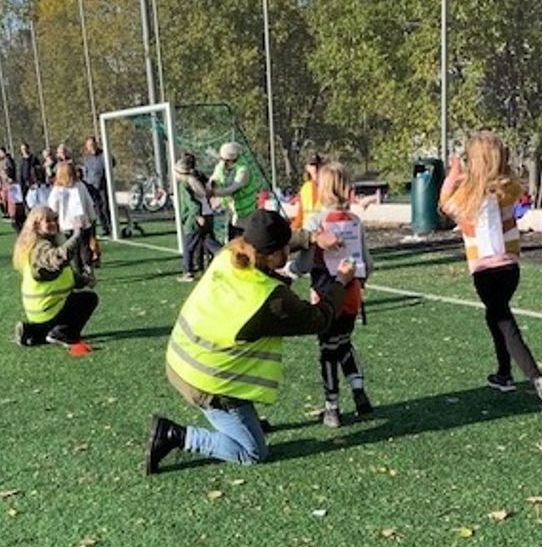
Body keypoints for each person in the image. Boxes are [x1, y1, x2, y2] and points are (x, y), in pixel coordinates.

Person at [145, 209, 355, 473]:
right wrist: (341, 282)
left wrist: (311, 237)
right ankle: (175, 435)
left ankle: (242, 420)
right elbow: (319, 318)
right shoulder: (270, 298)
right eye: (285, 248)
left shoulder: (227, 253)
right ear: (276, 255)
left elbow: (274, 246)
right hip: (207, 382)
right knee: (253, 451)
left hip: (181, 359)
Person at [440, 131, 542, 417]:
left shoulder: (467, 195)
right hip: (510, 268)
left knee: (504, 322)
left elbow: (444, 206)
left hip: (485, 270)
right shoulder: (508, 190)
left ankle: (538, 379)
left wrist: (452, 176)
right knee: (495, 315)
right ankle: (503, 374)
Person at [304, 162, 374, 427]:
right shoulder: (355, 221)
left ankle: (331, 407)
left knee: (327, 350)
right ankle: (359, 392)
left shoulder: (316, 222)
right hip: (352, 294)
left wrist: (288, 270)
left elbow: (302, 261)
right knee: (344, 342)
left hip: (326, 295)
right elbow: (368, 262)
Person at [12, 205, 98, 347]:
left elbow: (58, 275)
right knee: (88, 300)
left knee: (66, 305)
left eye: (55, 220)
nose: (54, 224)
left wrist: (83, 280)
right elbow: (59, 258)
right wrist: (77, 235)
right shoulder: (41, 248)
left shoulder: (32, 246)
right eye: (48, 221)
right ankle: (63, 334)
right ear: (37, 225)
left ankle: (32, 332)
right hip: (48, 308)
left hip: (38, 311)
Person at [175, 154, 222, 282]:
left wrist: (197, 216)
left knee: (188, 246)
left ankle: (188, 272)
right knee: (209, 242)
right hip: (208, 214)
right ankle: (225, 257)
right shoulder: (199, 177)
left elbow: (192, 204)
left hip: (195, 219)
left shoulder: (184, 184)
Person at [47, 161, 97, 281]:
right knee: (78, 249)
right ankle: (84, 270)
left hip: (78, 223)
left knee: (82, 247)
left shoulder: (79, 186)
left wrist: (91, 217)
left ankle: (85, 268)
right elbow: (53, 207)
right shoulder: (59, 190)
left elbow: (88, 202)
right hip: (70, 224)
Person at [208, 142, 259, 240]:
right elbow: (216, 176)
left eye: (225, 160)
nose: (222, 162)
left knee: (242, 241)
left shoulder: (243, 171)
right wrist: (211, 183)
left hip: (245, 212)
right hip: (232, 210)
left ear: (232, 159)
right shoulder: (222, 165)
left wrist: (213, 193)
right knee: (231, 238)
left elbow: (231, 189)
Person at [81, 136, 111, 237]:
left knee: (106, 207)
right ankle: (105, 228)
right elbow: (86, 172)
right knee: (97, 208)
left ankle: (111, 227)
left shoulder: (104, 154)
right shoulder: (87, 158)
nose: (91, 147)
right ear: (87, 147)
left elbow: (112, 163)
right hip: (92, 187)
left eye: (93, 144)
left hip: (103, 185)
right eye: (89, 145)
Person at [291, 152, 324, 230]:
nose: (315, 167)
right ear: (307, 167)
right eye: (312, 165)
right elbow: (301, 212)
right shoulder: (305, 188)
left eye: (317, 164)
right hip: (308, 230)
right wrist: (293, 227)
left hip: (323, 229)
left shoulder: (327, 185)